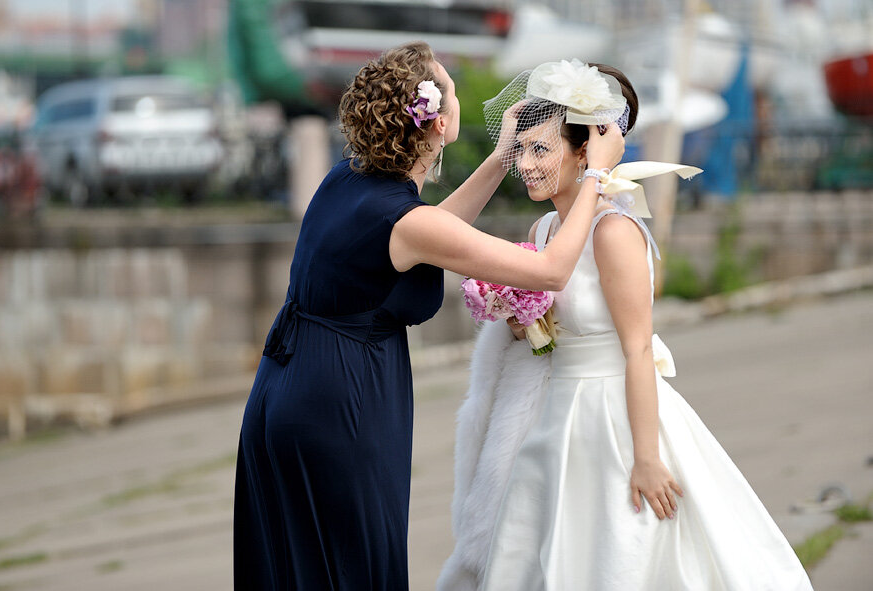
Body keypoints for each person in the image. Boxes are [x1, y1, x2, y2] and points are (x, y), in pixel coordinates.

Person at [233, 43, 625, 590]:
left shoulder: (346, 181)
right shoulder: (402, 217)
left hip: (285, 390)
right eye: (452, 87)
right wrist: (596, 177)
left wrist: (500, 157)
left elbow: (429, 231)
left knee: (299, 563)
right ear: (439, 123)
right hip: (341, 402)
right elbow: (553, 271)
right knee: (355, 564)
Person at [438, 60, 814, 590]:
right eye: (521, 149)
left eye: (539, 150)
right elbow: (545, 338)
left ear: (584, 151)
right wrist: (519, 316)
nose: (525, 163)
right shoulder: (545, 227)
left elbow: (638, 350)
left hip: (616, 414)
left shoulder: (613, 229)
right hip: (552, 418)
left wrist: (646, 458)